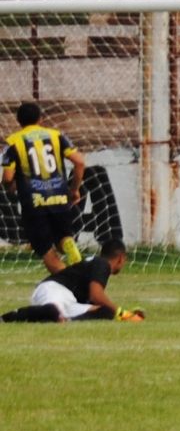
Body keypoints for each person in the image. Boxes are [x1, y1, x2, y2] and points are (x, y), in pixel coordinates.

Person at [1, 102, 84, 273]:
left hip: (34, 203)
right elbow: (79, 162)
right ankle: (68, 244)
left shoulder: (13, 141)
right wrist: (75, 189)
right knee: (63, 237)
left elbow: (7, 177)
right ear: (41, 119)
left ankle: (70, 281)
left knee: (45, 249)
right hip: (59, 198)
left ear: (19, 121)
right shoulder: (56, 135)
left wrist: (11, 186)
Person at [0, 239, 143, 323]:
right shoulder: (102, 264)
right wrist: (123, 313)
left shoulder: (96, 265)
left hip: (69, 300)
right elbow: (96, 295)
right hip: (54, 289)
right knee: (52, 311)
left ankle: (63, 320)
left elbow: (94, 302)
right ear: (121, 258)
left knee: (105, 312)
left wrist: (123, 314)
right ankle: (7, 318)